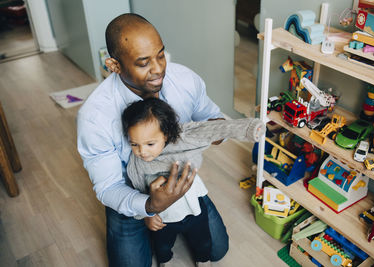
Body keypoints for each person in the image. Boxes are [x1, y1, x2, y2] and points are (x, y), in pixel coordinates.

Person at [77, 13, 229, 266]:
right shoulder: (94, 117)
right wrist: (149, 204)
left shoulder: (184, 80)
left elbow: (212, 117)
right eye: (143, 62)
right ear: (114, 65)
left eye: (160, 55)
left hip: (180, 181)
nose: (159, 69)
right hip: (132, 191)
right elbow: (108, 187)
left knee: (218, 251)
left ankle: (175, 222)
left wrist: (218, 132)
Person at [121, 98, 264, 266]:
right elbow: (138, 191)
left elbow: (211, 130)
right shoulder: (136, 164)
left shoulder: (182, 138)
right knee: (162, 246)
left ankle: (203, 261)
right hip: (164, 218)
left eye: (150, 144)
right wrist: (147, 215)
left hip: (194, 210)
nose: (142, 151)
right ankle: (165, 261)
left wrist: (249, 128)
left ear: (165, 134)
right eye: (134, 144)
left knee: (204, 242)